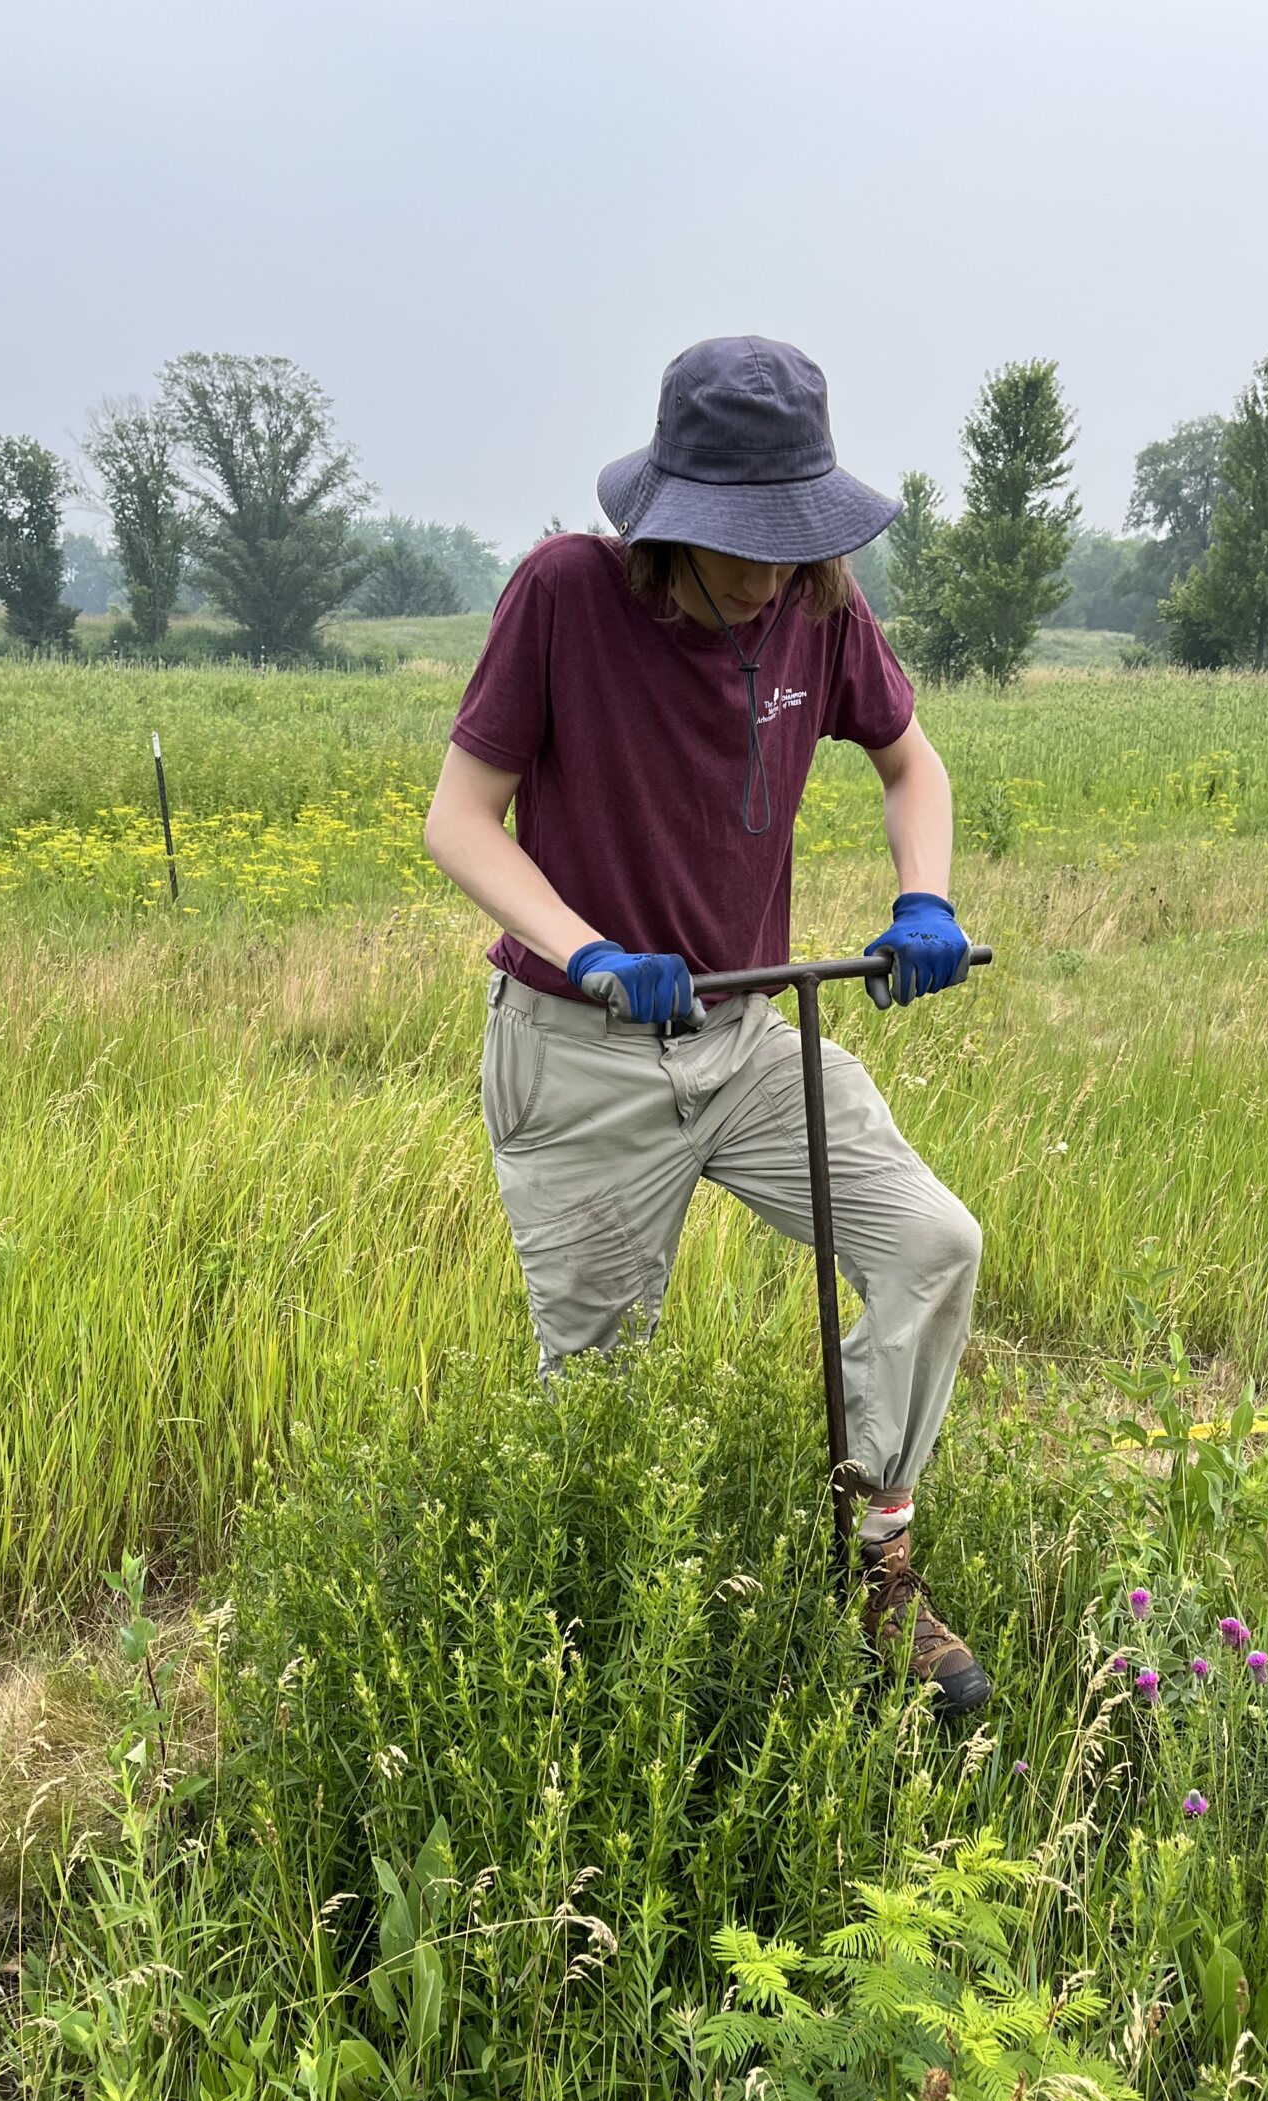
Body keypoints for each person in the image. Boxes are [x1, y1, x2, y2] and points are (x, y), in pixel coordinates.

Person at [424, 336, 989, 1711]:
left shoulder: (823, 608)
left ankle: (877, 1561)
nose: (765, 568)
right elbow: (460, 817)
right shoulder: (565, 594)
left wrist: (926, 898)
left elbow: (910, 761)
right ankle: (590, 1663)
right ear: (668, 510)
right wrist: (592, 950)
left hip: (750, 1039)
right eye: (739, 539)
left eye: (788, 537)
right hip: (584, 1052)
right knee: (602, 1390)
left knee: (932, 1246)